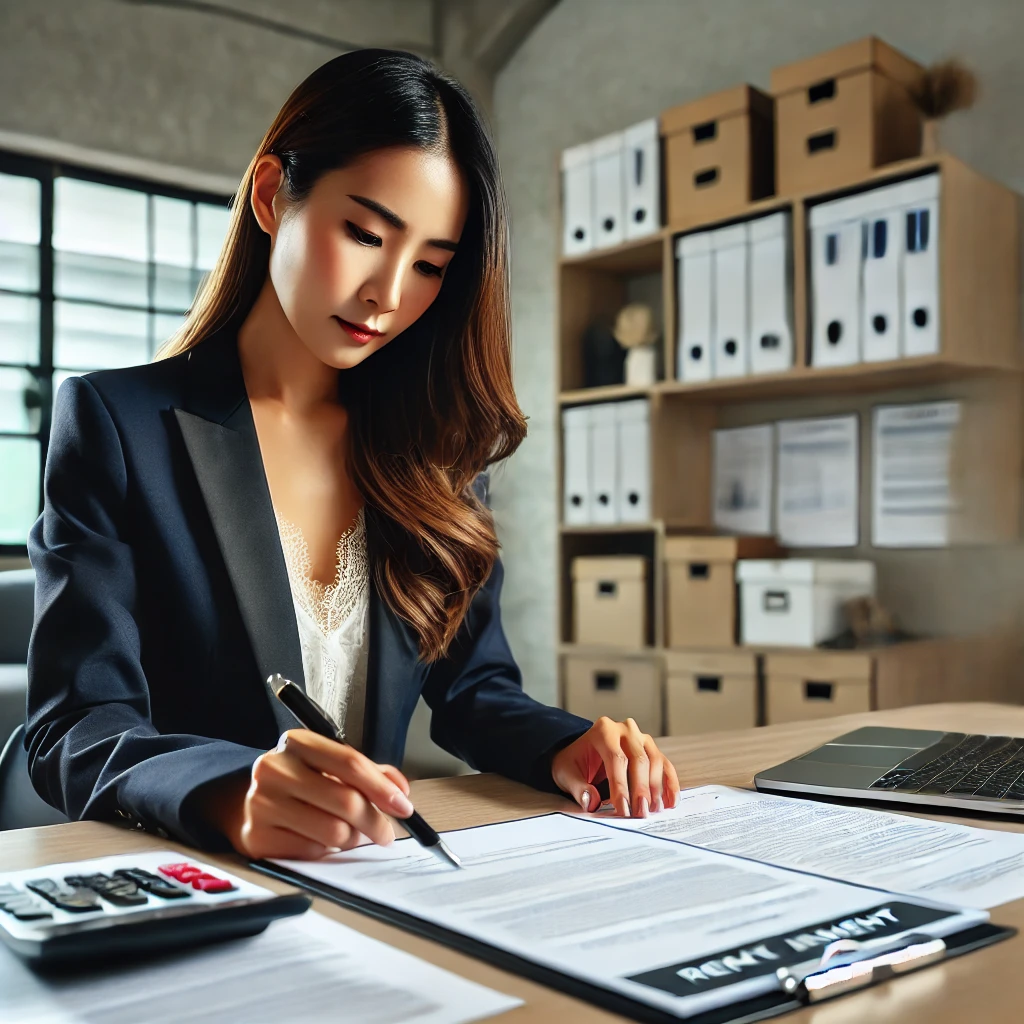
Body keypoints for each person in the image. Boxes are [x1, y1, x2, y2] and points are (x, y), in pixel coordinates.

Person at [24, 48, 679, 861]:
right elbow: (73, 728)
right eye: (365, 233)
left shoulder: (437, 447)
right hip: (198, 885)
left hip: (375, 885)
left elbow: (475, 692)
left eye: (432, 264)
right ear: (272, 196)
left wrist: (566, 745)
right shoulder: (118, 425)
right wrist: (229, 790)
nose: (390, 294)